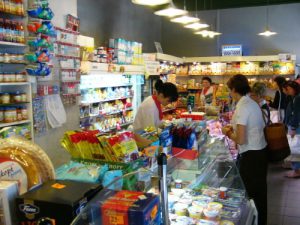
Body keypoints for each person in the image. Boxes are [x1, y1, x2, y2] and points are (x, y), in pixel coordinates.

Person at [221, 74, 268, 225]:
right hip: (260, 152)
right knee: (260, 194)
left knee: (251, 194)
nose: (229, 93)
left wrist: (227, 132)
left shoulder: (242, 107)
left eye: (230, 90)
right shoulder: (252, 103)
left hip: (251, 156)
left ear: (234, 89)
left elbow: (241, 139)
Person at [283, 81, 300, 178]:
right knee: (295, 147)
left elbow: (297, 114)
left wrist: (293, 127)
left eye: (289, 89)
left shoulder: (297, 98)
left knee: (294, 148)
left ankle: (297, 170)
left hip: (295, 126)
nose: (287, 91)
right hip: (294, 125)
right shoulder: (294, 97)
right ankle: (295, 168)